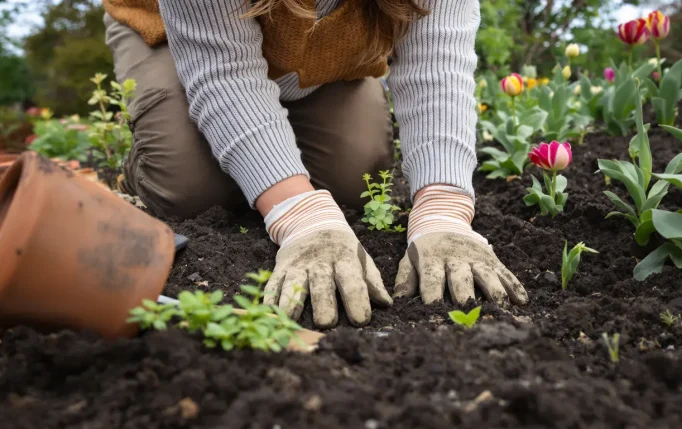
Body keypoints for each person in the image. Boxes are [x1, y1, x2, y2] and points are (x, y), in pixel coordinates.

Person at [103, 0, 528, 328]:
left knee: (355, 179)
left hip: (328, 53)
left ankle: (274, 143)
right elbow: (223, 71)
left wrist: (443, 208)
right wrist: (299, 216)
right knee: (191, 189)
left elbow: (438, 60)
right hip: (177, 36)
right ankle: (145, 165)